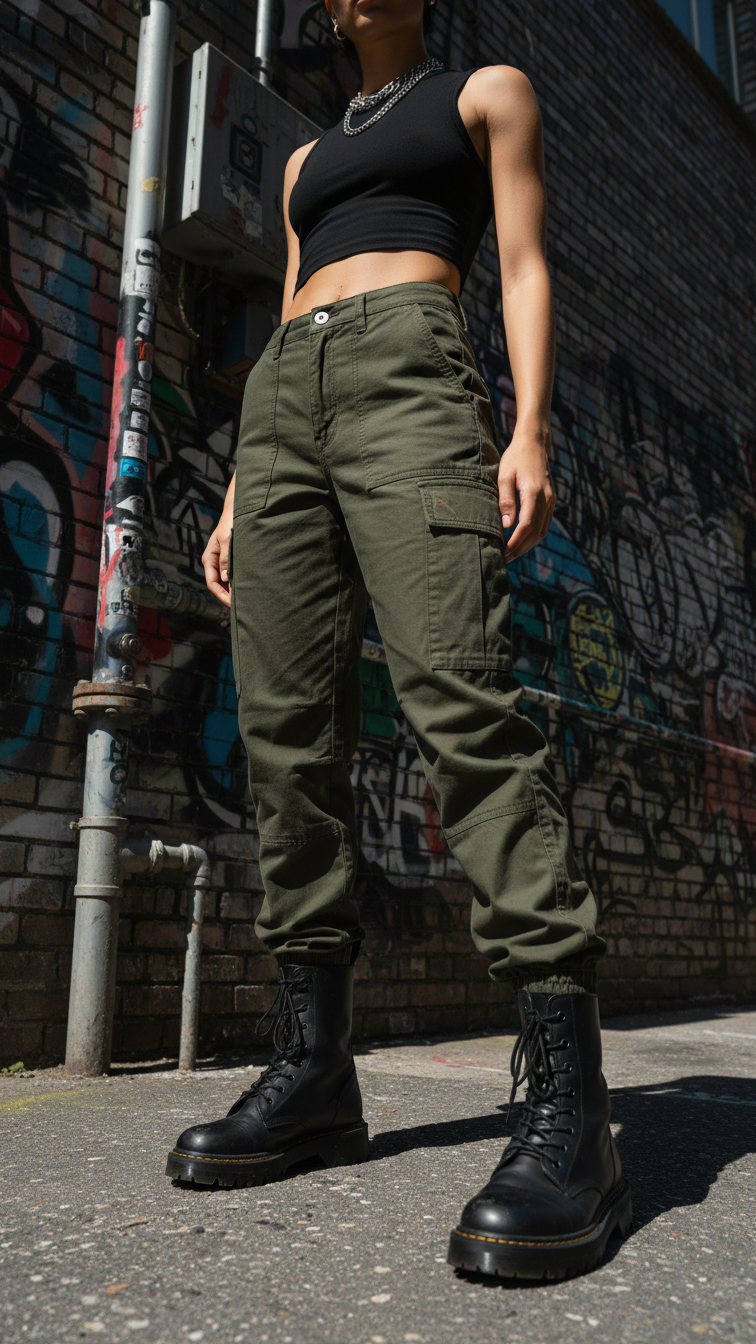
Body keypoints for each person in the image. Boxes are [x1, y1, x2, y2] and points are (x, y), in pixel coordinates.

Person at [165, 0, 632, 1281]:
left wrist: (529, 430)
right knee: (285, 735)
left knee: (461, 707)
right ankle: (313, 1070)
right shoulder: (307, 161)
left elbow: (526, 264)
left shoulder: (484, 92)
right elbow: (285, 310)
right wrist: (241, 491)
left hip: (410, 380)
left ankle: (570, 1111)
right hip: (286, 412)